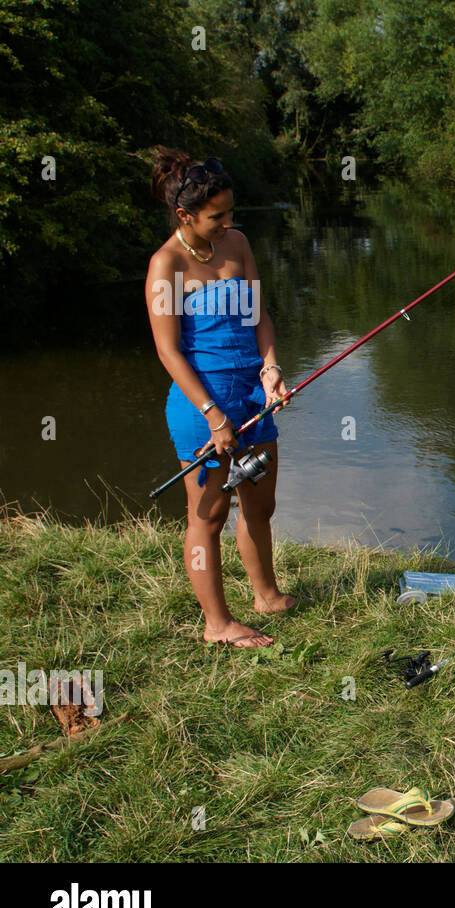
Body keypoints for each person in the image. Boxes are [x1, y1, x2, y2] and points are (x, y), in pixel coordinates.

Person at [145, 148, 297, 647]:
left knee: (261, 503)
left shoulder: (237, 245)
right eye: (217, 216)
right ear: (184, 215)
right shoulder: (165, 264)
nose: (227, 223)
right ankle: (218, 624)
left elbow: (259, 318)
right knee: (207, 516)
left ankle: (267, 594)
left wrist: (271, 369)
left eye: (231, 213)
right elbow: (168, 352)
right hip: (200, 404)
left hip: (253, 393)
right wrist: (213, 416)